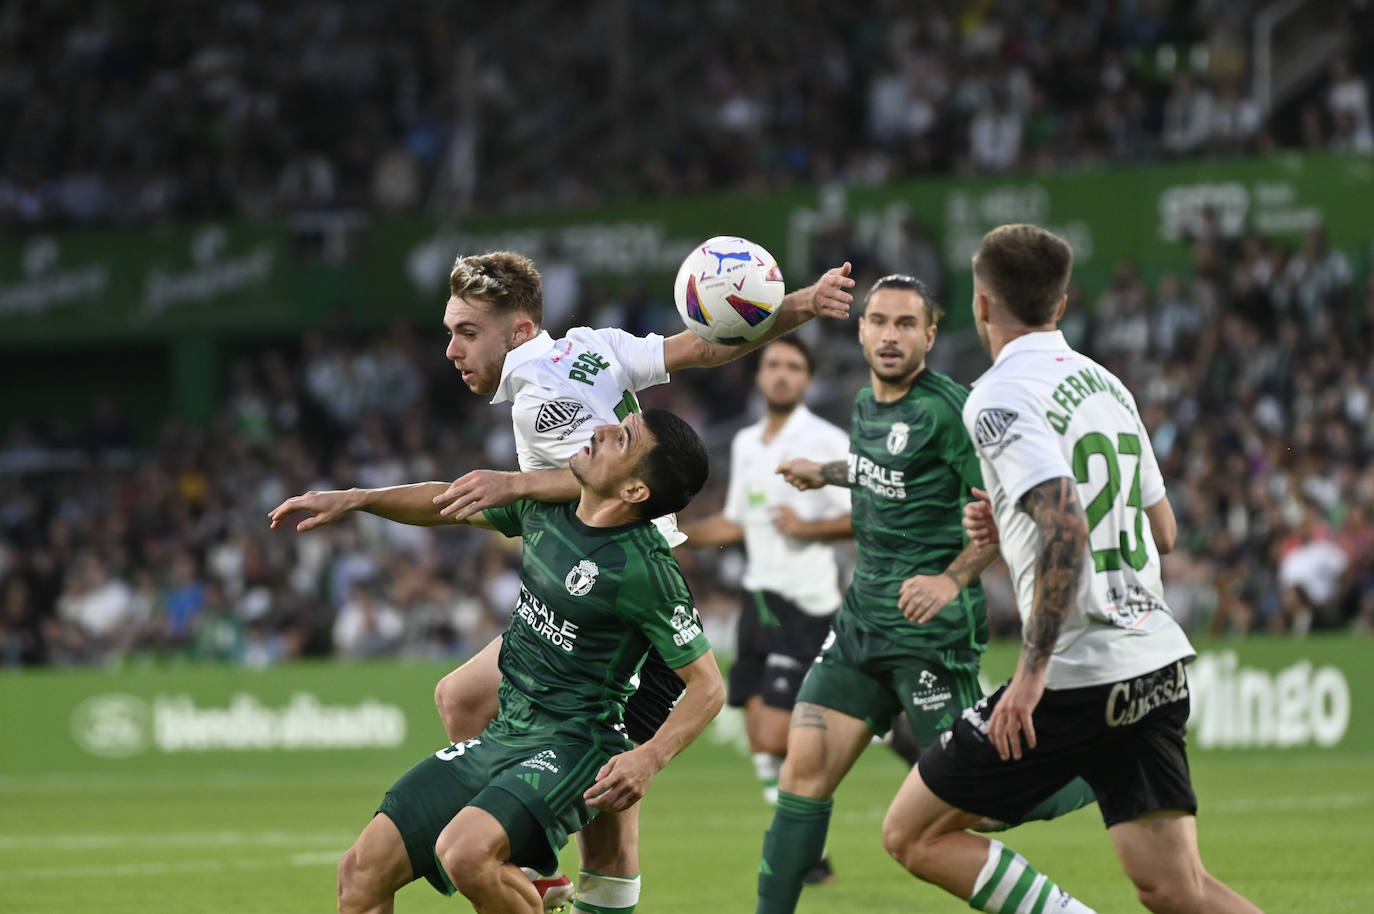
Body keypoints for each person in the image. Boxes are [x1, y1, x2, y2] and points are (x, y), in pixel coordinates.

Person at [280, 249, 853, 913]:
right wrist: (801, 306)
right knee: (462, 699)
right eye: (450, 330)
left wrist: (519, 481)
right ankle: (526, 857)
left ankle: (528, 861)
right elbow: (701, 347)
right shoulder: (591, 346)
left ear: (520, 331)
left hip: (623, 602)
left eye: (467, 333)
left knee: (610, 812)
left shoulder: (541, 395)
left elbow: (606, 478)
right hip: (580, 581)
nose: (450, 350)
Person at [881, 224, 1263, 914]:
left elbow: (1066, 524)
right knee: (1178, 890)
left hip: (1076, 676)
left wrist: (1029, 676)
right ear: (1060, 305)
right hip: (1152, 663)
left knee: (912, 834)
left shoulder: (996, 394)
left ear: (981, 306)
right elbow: (1164, 531)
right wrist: (1013, 518)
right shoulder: (1106, 385)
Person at [268, 409, 727, 914]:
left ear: (636, 491)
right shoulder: (543, 512)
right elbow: (446, 503)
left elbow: (708, 685)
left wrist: (649, 757)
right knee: (359, 874)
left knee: (465, 852)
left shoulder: (646, 570)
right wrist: (359, 499)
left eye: (622, 438)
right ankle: (537, 886)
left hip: (574, 747)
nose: (599, 429)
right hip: (503, 734)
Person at [756, 274, 1094, 914]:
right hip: (860, 627)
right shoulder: (863, 403)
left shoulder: (952, 412)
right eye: (878, 320)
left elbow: (1008, 507)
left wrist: (952, 578)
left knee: (980, 808)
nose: (889, 335)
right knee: (802, 773)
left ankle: (1086, 774)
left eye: (905, 324)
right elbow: (876, 466)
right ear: (860, 330)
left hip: (929, 635)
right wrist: (821, 472)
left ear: (930, 335)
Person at [676, 337, 851, 882]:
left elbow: (865, 515)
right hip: (759, 599)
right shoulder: (749, 442)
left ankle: (799, 837)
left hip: (806, 605)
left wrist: (808, 527)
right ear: (759, 377)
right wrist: (675, 533)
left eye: (793, 367)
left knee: (778, 736)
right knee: (758, 737)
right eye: (773, 364)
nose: (780, 374)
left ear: (807, 380)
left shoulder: (826, 441)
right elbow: (736, 523)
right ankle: (809, 856)